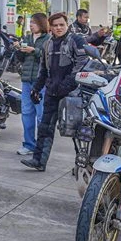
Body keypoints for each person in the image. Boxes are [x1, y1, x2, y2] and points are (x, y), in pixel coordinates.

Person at [21, 13, 91, 172]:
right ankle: (38, 161)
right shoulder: (48, 44)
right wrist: (36, 88)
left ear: (67, 25)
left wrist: (67, 84)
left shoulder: (76, 40)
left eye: (61, 25)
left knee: (77, 131)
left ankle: (82, 167)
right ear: (50, 27)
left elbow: (82, 65)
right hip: (52, 92)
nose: (58, 28)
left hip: (72, 95)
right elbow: (44, 70)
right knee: (45, 128)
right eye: (55, 25)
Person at [17, 13, 50, 157]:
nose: (31, 25)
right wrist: (19, 50)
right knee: (26, 112)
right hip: (26, 81)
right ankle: (29, 144)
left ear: (42, 24)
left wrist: (34, 51)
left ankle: (41, 146)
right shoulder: (27, 38)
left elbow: (47, 56)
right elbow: (21, 59)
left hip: (40, 82)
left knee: (41, 115)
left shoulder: (48, 39)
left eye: (34, 23)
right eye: (30, 22)